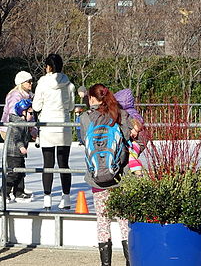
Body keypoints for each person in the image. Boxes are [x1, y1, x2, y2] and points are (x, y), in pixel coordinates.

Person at [79, 83, 136, 266]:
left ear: (91, 98)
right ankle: (129, 262)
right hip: (120, 177)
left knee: (102, 221)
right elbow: (130, 137)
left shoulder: (85, 118)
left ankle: (106, 264)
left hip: (97, 180)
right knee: (124, 221)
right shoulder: (119, 114)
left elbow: (83, 140)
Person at [32, 53, 75, 210]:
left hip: (48, 125)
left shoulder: (42, 84)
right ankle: (67, 197)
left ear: (48, 67)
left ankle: (47, 198)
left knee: (48, 163)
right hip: (63, 125)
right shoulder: (69, 85)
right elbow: (70, 107)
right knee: (64, 163)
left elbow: (36, 106)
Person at [0, 98, 34, 203]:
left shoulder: (23, 123)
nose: (32, 116)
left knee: (21, 172)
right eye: (30, 113)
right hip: (13, 152)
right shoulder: (18, 123)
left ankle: (19, 193)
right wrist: (21, 147)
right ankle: (4, 192)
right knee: (13, 173)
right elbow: (16, 137)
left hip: (18, 154)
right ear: (23, 112)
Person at [114, 88, 146, 175]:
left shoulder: (131, 112)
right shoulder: (122, 113)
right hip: (130, 141)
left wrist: (135, 129)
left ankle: (139, 174)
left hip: (137, 141)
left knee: (132, 156)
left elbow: (138, 121)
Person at [0, 70, 34, 141]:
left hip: (22, 128)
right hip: (10, 129)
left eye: (31, 81)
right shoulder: (14, 95)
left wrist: (33, 130)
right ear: (21, 83)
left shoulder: (29, 96)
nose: (31, 83)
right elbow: (13, 114)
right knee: (14, 151)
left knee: (21, 150)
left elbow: (31, 115)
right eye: (28, 81)